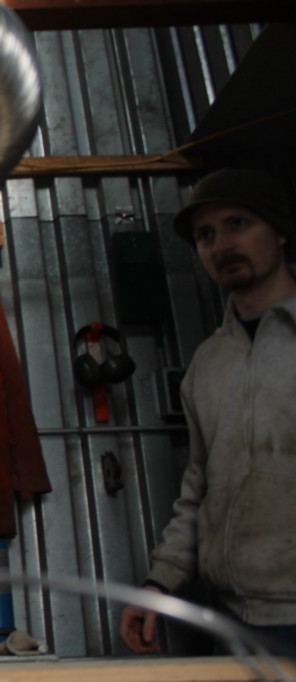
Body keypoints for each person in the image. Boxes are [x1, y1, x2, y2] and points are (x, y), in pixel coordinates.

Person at [119, 167, 296, 655]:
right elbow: (198, 493)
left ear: (280, 230)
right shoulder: (209, 364)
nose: (221, 246)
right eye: (206, 236)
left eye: (239, 224)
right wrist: (158, 585)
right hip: (234, 622)